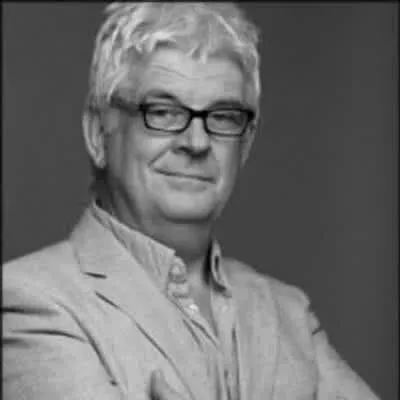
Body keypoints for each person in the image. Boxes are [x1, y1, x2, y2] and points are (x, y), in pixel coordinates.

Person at [2, 3, 380, 400]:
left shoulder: (289, 314)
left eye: (223, 116)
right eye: (163, 112)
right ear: (99, 133)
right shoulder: (29, 301)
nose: (196, 142)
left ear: (246, 144)